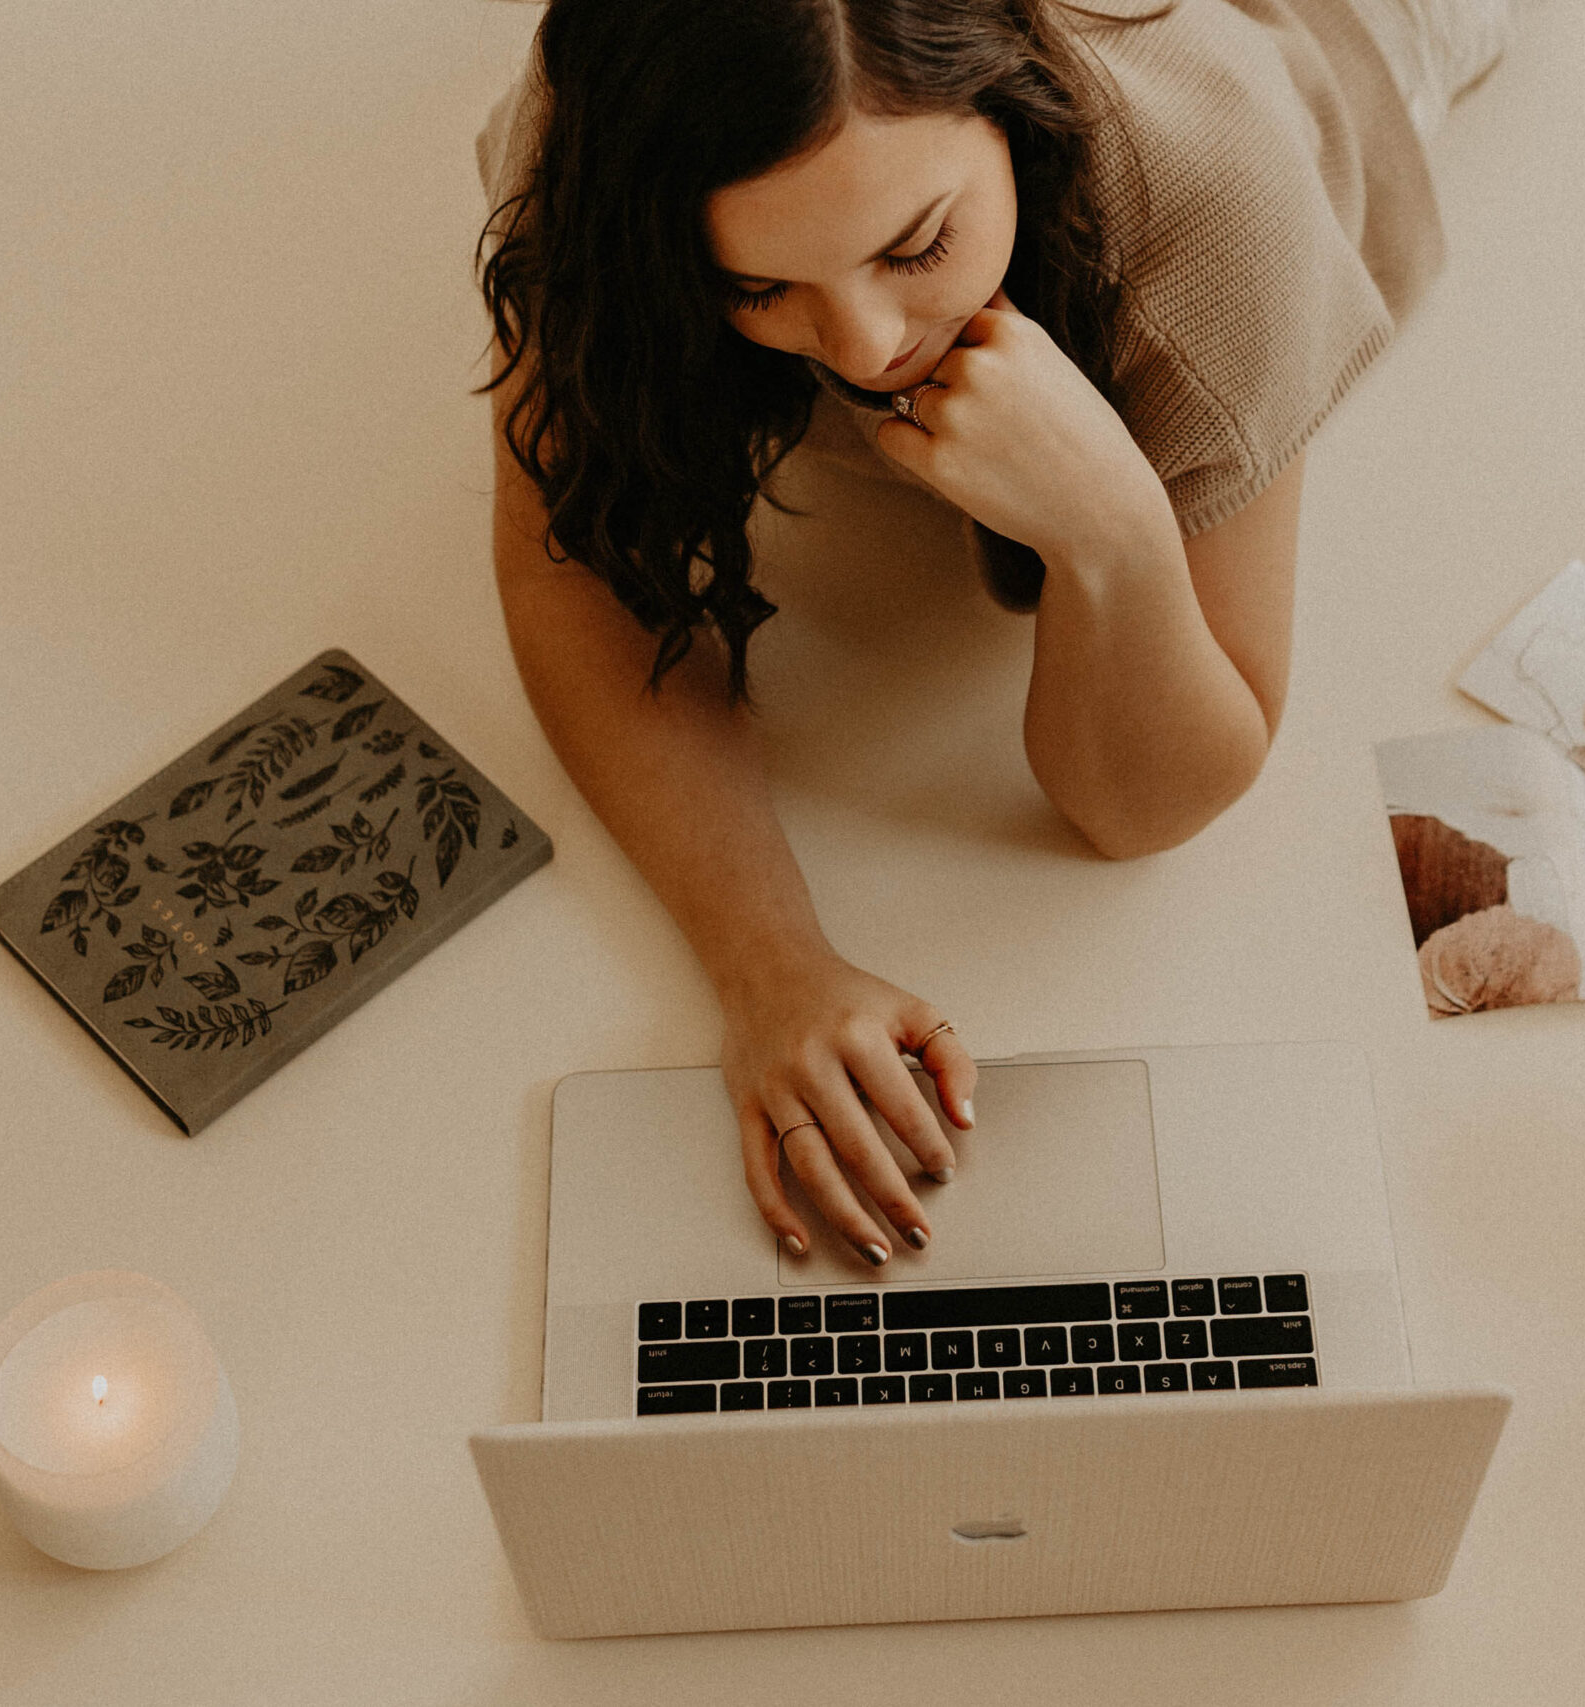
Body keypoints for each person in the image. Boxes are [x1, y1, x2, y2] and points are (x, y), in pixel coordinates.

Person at [474, 0, 1503, 1268]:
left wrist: (1113, 531)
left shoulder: (1217, 188)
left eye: (916, 246)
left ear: (1012, 106)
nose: (864, 347)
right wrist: (767, 967)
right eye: (755, 283)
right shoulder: (596, 139)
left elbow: (1143, 807)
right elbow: (567, 565)